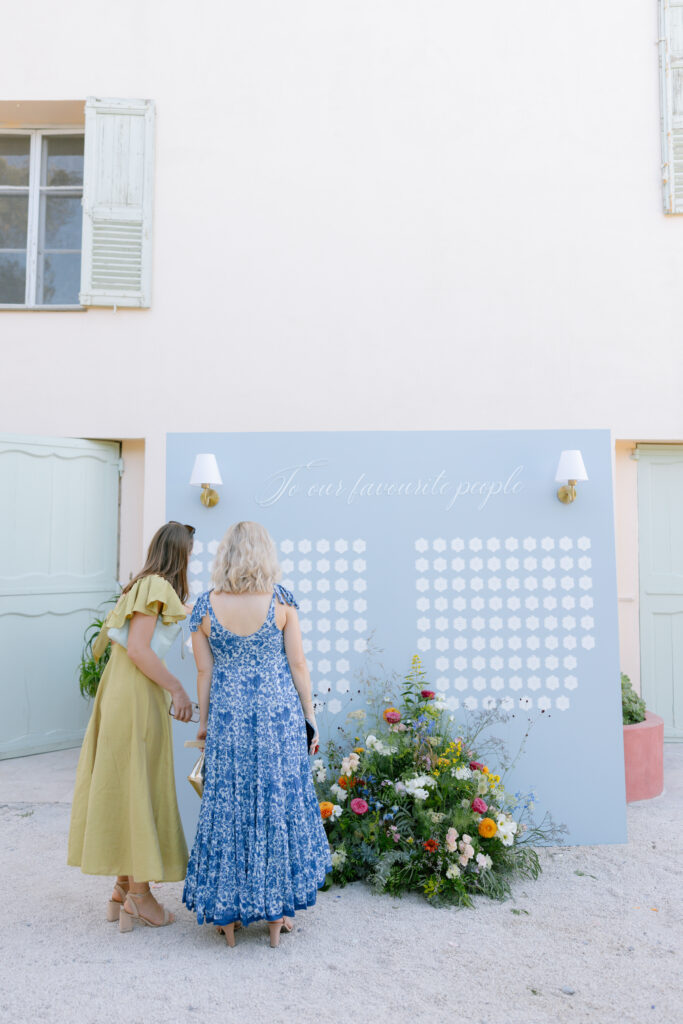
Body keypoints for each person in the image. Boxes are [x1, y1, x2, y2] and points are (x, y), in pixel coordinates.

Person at [183, 521, 332, 947]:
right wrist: (310, 716)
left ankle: (227, 921)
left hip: (230, 717)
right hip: (277, 716)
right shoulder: (282, 601)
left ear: (225, 556)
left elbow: (204, 670)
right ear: (266, 555)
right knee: (275, 804)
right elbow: (299, 665)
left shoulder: (205, 607)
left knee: (228, 806)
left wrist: (204, 722)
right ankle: (276, 916)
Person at [68, 521, 196, 930]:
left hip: (119, 690)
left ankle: (122, 889)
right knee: (141, 784)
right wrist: (177, 688)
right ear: (180, 553)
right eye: (191, 552)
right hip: (136, 695)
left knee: (126, 783)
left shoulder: (138, 586)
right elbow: (140, 649)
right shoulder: (158, 587)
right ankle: (140, 896)